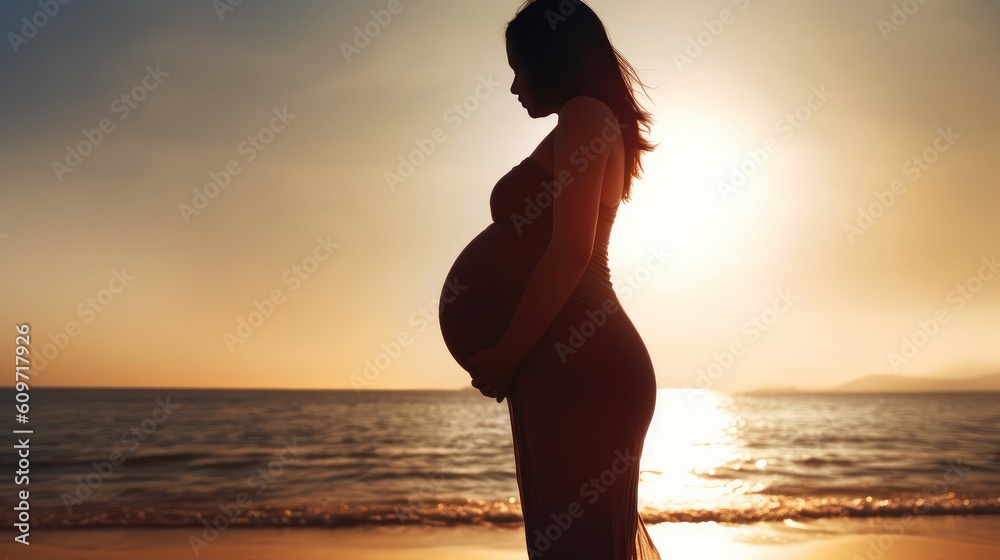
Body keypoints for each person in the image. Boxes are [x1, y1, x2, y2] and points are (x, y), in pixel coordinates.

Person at [463, 1, 662, 557]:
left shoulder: (585, 116)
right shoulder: (588, 121)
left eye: (518, 68)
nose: (513, 86)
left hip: (585, 364)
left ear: (554, 58)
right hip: (570, 363)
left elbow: (571, 249)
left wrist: (506, 354)